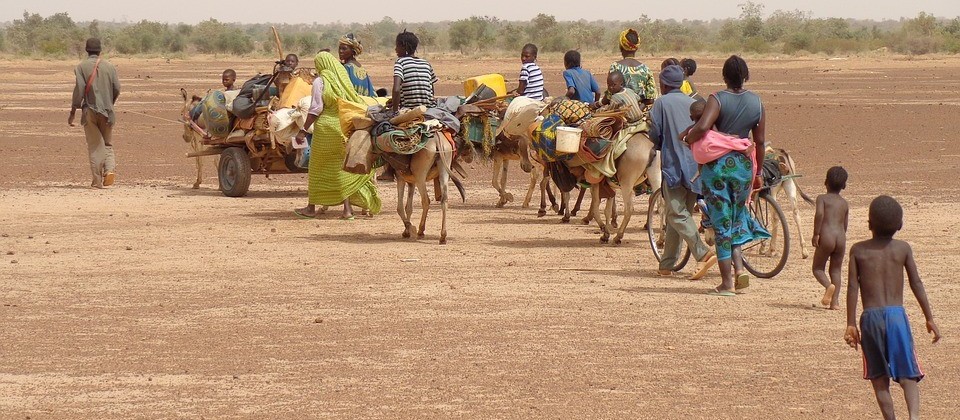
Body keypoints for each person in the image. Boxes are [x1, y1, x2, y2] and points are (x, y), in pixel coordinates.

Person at [845, 195, 941, 420]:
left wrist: (850, 323)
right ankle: (913, 417)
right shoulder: (903, 249)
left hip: (869, 319)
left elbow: (851, 287)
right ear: (900, 225)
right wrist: (929, 317)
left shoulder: (858, 251)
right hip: (897, 317)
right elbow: (916, 282)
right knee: (909, 375)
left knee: (879, 379)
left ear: (869, 224)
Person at [684, 55, 770, 296]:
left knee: (722, 222)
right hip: (744, 166)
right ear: (746, 76)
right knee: (737, 217)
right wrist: (758, 172)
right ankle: (739, 269)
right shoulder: (757, 103)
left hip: (718, 167)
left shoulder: (717, 99)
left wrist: (688, 139)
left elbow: (701, 127)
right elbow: (760, 142)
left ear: (724, 76)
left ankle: (726, 283)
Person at [293, 51, 381, 220]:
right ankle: (347, 210)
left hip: (325, 130)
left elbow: (316, 109)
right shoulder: (341, 79)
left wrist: (303, 130)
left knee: (317, 168)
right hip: (342, 127)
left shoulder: (320, 81)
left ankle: (311, 207)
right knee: (341, 168)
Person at [649, 65, 716, 279]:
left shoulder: (661, 103)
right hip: (695, 165)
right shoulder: (692, 102)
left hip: (674, 166)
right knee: (678, 215)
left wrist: (660, 145)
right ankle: (666, 264)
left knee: (676, 215)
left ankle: (703, 253)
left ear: (664, 84)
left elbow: (655, 132)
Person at [380, 30, 438, 182]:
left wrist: (394, 111)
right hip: (429, 107)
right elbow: (431, 89)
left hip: (409, 109)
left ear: (403, 46)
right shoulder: (426, 63)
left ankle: (389, 169)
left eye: (397, 46)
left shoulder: (400, 63)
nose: (395, 49)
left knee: (382, 128)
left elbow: (397, 89)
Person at [69, 37, 121, 189]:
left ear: (86, 50)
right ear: (100, 51)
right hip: (108, 112)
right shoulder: (110, 67)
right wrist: (110, 103)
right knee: (107, 144)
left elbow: (79, 89)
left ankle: (97, 181)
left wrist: (73, 110)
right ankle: (109, 170)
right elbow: (117, 88)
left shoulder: (80, 67)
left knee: (95, 146)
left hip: (89, 111)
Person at [812, 166, 849, 309]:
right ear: (844, 186)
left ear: (825, 181)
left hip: (826, 237)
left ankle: (828, 286)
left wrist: (816, 233)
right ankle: (835, 302)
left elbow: (820, 214)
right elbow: (845, 225)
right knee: (836, 270)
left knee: (817, 268)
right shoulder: (844, 203)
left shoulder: (821, 198)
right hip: (840, 238)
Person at [610, 29, 657, 106]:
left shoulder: (615, 67)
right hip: (640, 113)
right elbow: (650, 99)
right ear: (636, 48)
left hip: (619, 112)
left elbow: (609, 96)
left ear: (621, 46)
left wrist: (597, 104)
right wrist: (638, 109)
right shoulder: (646, 69)